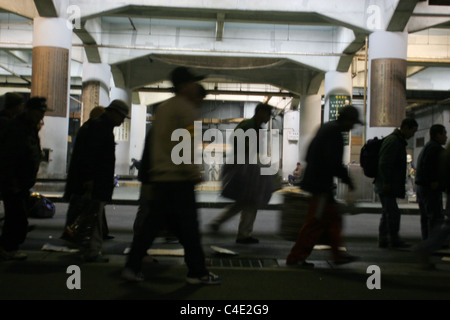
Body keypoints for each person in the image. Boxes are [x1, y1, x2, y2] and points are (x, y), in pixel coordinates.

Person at [122, 67, 221, 284]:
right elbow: (185, 145)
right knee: (190, 229)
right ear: (185, 85)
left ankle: (131, 267)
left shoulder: (165, 109)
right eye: (194, 83)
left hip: (162, 178)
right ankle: (197, 273)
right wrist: (194, 172)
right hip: (179, 180)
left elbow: (157, 146)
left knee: (151, 227)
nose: (197, 87)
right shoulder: (185, 110)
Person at [285, 105, 362, 267]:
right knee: (315, 223)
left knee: (332, 220)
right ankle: (296, 257)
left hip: (318, 183)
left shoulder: (326, 128)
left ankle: (337, 255)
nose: (353, 127)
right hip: (320, 186)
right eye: (353, 123)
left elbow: (309, 153)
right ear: (347, 120)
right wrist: (348, 181)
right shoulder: (335, 133)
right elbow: (333, 162)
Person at [62, 100, 130, 262]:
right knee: (93, 215)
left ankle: (88, 247)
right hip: (95, 182)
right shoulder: (100, 128)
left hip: (96, 181)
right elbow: (91, 156)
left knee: (93, 215)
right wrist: (89, 179)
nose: (122, 121)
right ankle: (92, 250)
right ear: (113, 112)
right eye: (122, 116)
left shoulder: (98, 126)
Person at [208, 103, 274, 244]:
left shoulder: (257, 128)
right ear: (261, 112)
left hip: (248, 167)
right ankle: (243, 234)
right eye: (268, 114)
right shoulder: (247, 126)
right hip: (244, 168)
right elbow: (237, 141)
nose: (269, 118)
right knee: (251, 201)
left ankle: (220, 223)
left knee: (244, 201)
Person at [0, 97, 49, 260]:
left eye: (42, 113)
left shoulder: (29, 127)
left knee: (17, 216)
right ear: (28, 110)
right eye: (38, 112)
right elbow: (9, 156)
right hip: (14, 182)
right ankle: (8, 247)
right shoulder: (16, 128)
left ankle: (9, 246)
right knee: (16, 217)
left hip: (22, 181)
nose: (41, 116)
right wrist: (12, 181)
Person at [375, 118, 418, 249]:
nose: (413, 135)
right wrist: (387, 182)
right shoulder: (394, 141)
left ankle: (384, 239)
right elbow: (384, 163)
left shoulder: (396, 141)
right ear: (405, 127)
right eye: (412, 131)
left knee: (387, 212)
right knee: (393, 213)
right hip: (386, 184)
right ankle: (393, 240)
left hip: (386, 183)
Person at [415, 124, 447, 240]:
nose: (446, 137)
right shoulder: (435, 149)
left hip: (422, 188)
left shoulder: (428, 147)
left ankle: (427, 241)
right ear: (438, 135)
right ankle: (433, 243)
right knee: (435, 217)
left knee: (426, 217)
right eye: (444, 133)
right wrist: (433, 181)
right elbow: (429, 166)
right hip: (430, 189)